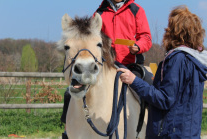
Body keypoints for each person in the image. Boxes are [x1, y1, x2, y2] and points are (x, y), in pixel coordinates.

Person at [61, 0, 152, 138]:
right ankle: (68, 130)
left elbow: (146, 37)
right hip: (107, 64)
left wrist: (138, 46)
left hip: (130, 64)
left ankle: (154, 127)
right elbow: (90, 38)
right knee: (70, 93)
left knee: (149, 87)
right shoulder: (99, 13)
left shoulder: (136, 10)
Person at [117, 5, 207, 139]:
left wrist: (134, 81)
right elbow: (180, 96)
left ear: (176, 31)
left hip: (170, 135)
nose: (166, 30)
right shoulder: (196, 61)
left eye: (170, 27)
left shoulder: (177, 59)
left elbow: (165, 99)